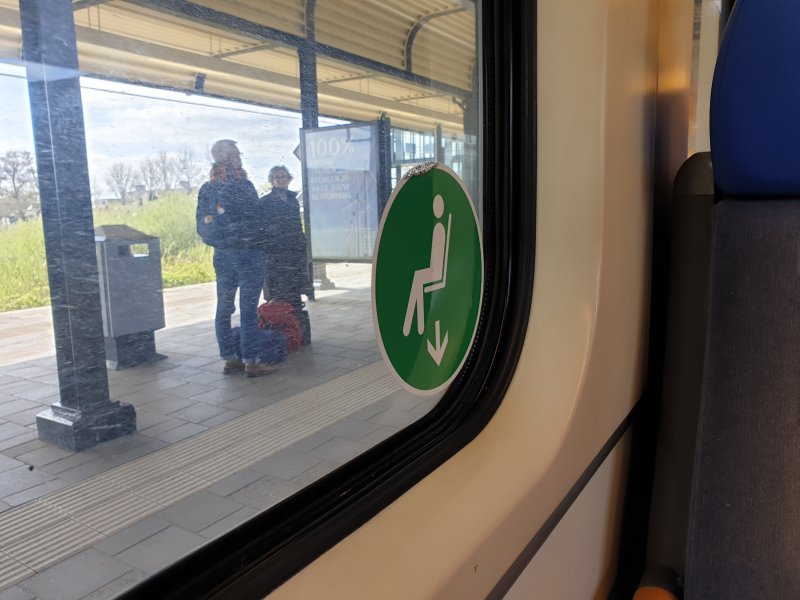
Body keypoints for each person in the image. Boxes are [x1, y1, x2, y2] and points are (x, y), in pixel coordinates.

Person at [196, 139, 276, 377]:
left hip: (222, 255)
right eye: (238, 154)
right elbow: (255, 218)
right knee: (248, 309)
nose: (240, 158)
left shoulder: (207, 188)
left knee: (223, 307)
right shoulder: (243, 184)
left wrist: (223, 239)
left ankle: (230, 359)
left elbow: (204, 224)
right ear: (231, 157)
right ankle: (252, 361)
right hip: (248, 253)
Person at [260, 165, 310, 310]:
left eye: (284, 177)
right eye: (278, 177)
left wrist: (302, 244)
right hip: (276, 254)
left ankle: (295, 318)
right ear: (271, 180)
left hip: (294, 251)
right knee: (279, 291)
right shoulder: (265, 201)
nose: (282, 180)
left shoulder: (293, 200)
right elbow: (264, 229)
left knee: (295, 289)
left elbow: (297, 224)